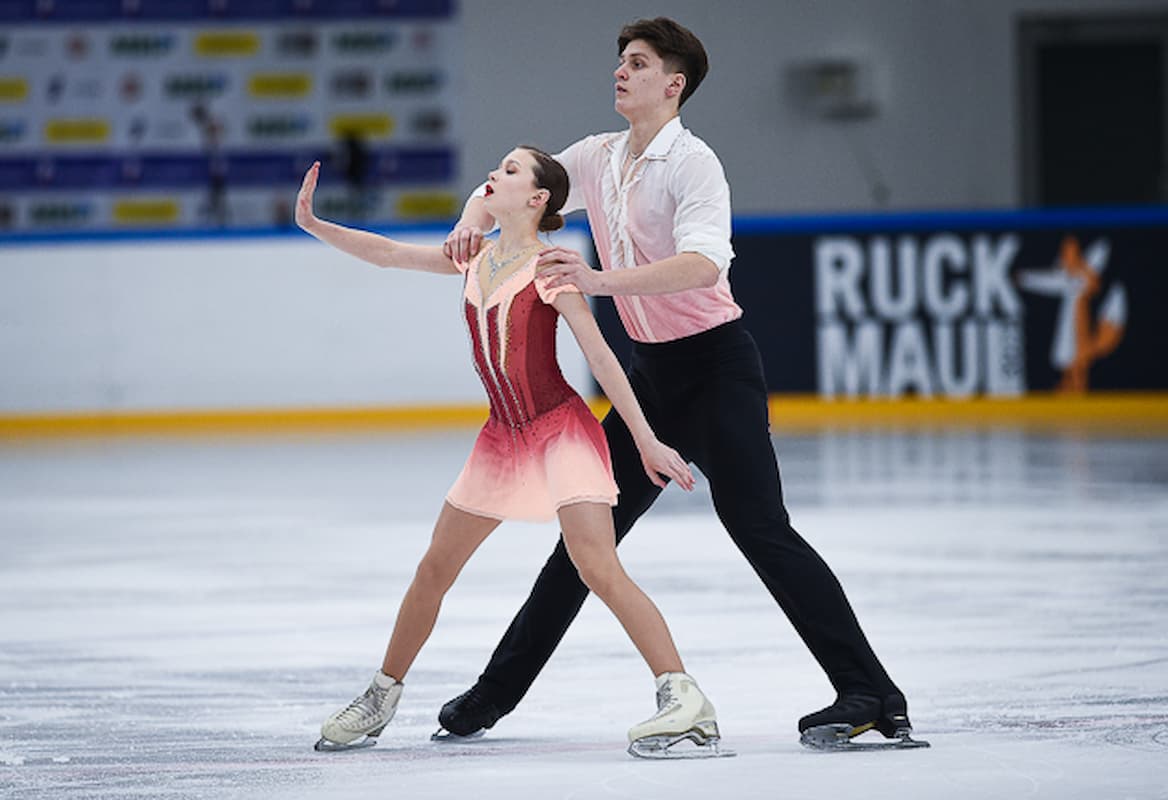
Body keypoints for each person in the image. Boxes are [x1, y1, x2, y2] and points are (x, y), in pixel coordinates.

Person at [439, 17, 924, 750]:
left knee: (759, 529)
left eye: (635, 63)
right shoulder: (596, 158)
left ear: (673, 84)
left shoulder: (694, 165)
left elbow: (704, 265)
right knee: (585, 543)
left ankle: (870, 693)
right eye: (618, 61)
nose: (619, 72)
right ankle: (490, 697)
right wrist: (468, 223)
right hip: (649, 378)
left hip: (717, 369)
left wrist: (598, 278)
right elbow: (508, 186)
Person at [296, 146, 729, 759]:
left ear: (537, 199)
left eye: (508, 170)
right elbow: (390, 254)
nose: (492, 176)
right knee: (434, 568)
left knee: (597, 568)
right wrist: (317, 225)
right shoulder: (472, 258)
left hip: (561, 433)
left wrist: (645, 439)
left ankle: (684, 698)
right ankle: (381, 696)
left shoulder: (551, 269)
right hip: (502, 437)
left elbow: (602, 359)